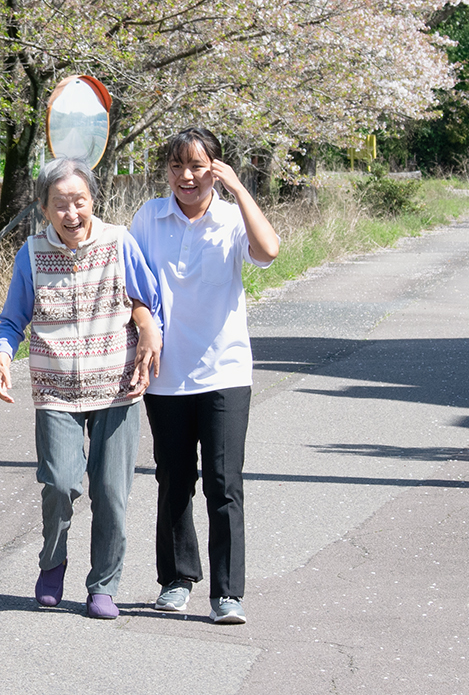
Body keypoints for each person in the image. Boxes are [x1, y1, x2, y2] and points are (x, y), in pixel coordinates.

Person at [0, 157, 161, 620]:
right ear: (44, 209)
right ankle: (52, 564)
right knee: (61, 484)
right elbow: (12, 319)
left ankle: (103, 586)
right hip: (55, 387)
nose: (71, 213)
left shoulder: (120, 242)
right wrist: (4, 357)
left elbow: (148, 299)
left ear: (93, 201)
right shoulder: (30, 254)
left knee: (111, 492)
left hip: (118, 385)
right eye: (60, 204)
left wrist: (147, 323)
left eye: (79, 201)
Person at [130, 127, 279, 625]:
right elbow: (129, 281)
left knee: (223, 482)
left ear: (215, 168)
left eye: (197, 166)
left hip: (225, 371)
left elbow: (269, 250)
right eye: (176, 167)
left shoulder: (233, 219)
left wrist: (239, 189)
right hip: (166, 374)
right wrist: (145, 322)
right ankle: (176, 579)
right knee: (174, 480)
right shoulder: (149, 217)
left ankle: (227, 593)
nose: (186, 177)